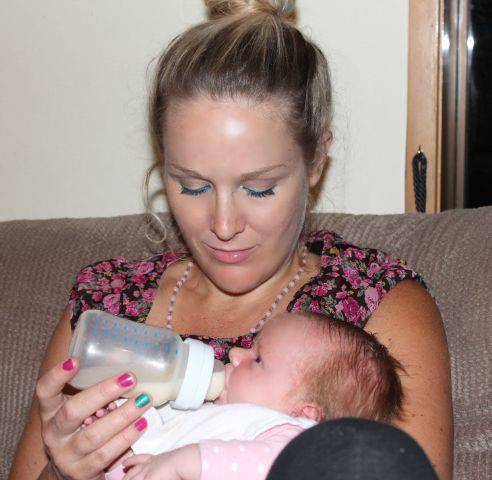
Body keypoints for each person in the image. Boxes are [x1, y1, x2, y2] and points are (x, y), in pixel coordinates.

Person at [9, 1, 453, 479]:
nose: (223, 224)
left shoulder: (375, 305)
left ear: (316, 161)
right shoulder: (106, 304)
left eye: (258, 188)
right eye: (192, 185)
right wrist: (62, 473)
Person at [104, 311, 406, 480]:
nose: (235, 354)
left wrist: (183, 462)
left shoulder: (292, 437)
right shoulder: (209, 413)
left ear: (304, 414)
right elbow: (150, 450)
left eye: (257, 359)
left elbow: (271, 465)